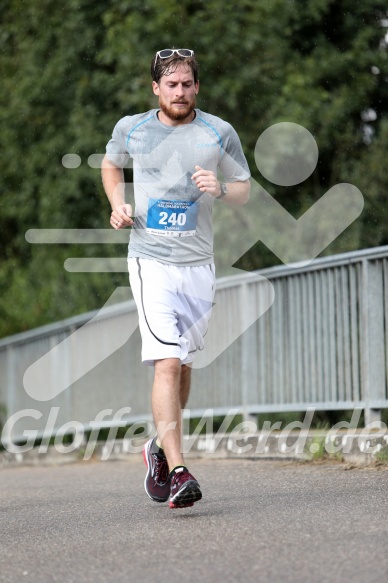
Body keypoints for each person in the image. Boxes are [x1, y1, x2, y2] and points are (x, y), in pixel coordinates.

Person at [102, 48, 251, 509]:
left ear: (197, 87)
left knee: (184, 366)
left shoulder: (218, 132)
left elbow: (245, 189)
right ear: (156, 88)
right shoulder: (133, 128)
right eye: (171, 84)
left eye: (187, 84)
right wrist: (118, 204)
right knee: (166, 362)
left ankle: (158, 449)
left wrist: (222, 188)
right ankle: (180, 469)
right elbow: (111, 165)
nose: (180, 92)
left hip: (198, 265)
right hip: (151, 260)